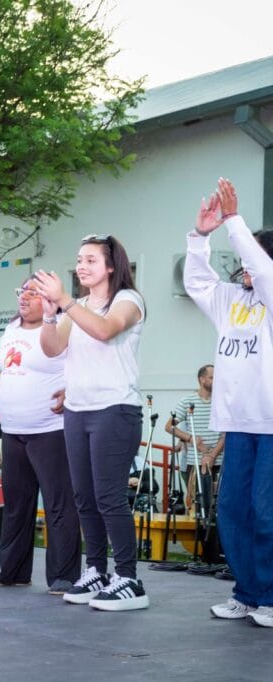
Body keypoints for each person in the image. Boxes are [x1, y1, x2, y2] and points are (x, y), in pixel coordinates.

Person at [36, 233, 149, 611]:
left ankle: (129, 578)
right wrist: (52, 313)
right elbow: (53, 349)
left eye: (90, 260)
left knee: (108, 497)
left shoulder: (128, 301)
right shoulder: (78, 305)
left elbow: (104, 331)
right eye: (79, 260)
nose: (81, 266)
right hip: (78, 410)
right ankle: (96, 570)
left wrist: (65, 302)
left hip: (115, 410)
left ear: (111, 266)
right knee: (84, 497)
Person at [189, 178, 273, 628]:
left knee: (267, 511)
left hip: (272, 424)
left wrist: (236, 221)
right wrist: (200, 236)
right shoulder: (232, 299)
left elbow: (265, 272)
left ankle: (270, 596)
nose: (243, 263)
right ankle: (247, 592)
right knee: (234, 511)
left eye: (250, 256)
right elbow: (197, 280)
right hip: (239, 424)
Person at [0, 278, 81, 596]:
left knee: (58, 504)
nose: (24, 297)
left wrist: (72, 390)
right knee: (16, 504)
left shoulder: (63, 325)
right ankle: (13, 571)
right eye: (21, 291)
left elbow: (81, 366)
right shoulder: (11, 329)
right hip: (13, 430)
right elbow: (7, 369)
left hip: (50, 429)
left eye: (33, 293)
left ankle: (63, 576)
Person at [164, 364, 223, 511]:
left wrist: (212, 455)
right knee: (199, 506)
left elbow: (226, 434)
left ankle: (217, 535)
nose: (216, 380)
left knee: (219, 506)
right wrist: (191, 439)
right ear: (201, 380)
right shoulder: (187, 401)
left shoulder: (222, 401)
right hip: (194, 463)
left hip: (220, 462)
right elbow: (169, 426)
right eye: (212, 377)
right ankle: (200, 534)